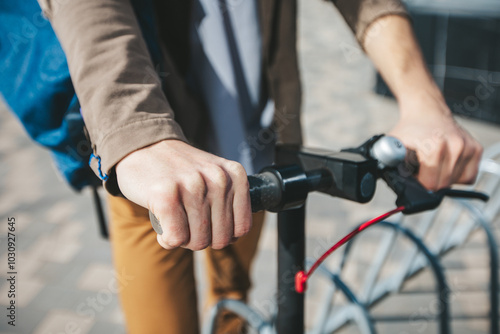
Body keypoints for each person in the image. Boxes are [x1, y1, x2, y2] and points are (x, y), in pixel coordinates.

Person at [35, 0, 483, 333]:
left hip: (254, 124)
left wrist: (422, 100)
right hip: (151, 136)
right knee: (161, 293)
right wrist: (139, 135)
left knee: (234, 287)